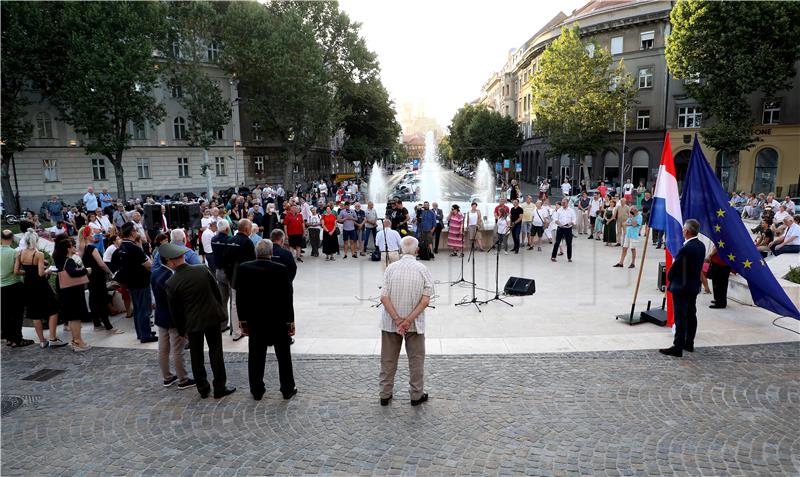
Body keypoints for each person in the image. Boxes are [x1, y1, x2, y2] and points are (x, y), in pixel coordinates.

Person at [164, 243, 234, 399]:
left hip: (193, 323)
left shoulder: (172, 282)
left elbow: (175, 311)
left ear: (173, 261)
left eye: (168, 261)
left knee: (196, 356)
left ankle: (203, 388)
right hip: (212, 318)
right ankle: (219, 387)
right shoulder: (202, 269)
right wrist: (219, 311)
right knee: (216, 353)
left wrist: (181, 331)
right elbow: (216, 292)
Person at [235, 240, 297, 401]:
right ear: (271, 253)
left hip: (255, 320)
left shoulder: (243, 268)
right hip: (278, 320)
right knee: (283, 356)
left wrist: (243, 321)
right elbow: (287, 298)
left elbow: (240, 297)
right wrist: (290, 322)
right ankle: (287, 388)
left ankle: (256, 390)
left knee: (256, 356)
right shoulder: (281, 269)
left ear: (257, 253)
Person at [379, 236, 434, 407]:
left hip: (390, 323)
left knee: (388, 360)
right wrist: (408, 321)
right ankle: (416, 395)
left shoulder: (390, 269)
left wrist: (397, 320)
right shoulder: (423, 269)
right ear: (417, 250)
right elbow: (425, 301)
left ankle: (385, 394)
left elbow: (383, 297)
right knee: (416, 360)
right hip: (415, 324)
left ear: (401, 249)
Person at [660, 219, 705, 358]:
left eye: (684, 228)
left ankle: (677, 347)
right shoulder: (701, 245)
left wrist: (669, 276)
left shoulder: (686, 248)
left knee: (680, 317)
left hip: (682, 287)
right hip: (693, 286)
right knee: (691, 314)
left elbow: (675, 269)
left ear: (686, 231)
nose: (682, 230)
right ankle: (689, 343)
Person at [14, 230, 66, 348]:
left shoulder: (20, 253)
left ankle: (42, 341)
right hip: (40, 285)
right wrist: (49, 270)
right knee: (53, 310)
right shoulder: (38, 254)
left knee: (35, 313)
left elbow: (16, 271)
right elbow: (41, 273)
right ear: (35, 240)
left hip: (28, 285)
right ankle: (52, 338)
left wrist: (27, 272)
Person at [116, 222, 156, 343]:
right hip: (141, 281)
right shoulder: (133, 248)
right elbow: (148, 265)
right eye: (136, 230)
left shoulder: (122, 246)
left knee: (138, 309)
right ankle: (146, 334)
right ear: (132, 232)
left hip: (131, 281)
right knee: (144, 309)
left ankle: (142, 332)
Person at [78, 228, 123, 334]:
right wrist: (110, 272)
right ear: (88, 236)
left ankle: (97, 323)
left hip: (90, 277)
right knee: (102, 300)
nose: (94, 236)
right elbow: (101, 264)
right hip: (98, 276)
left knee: (93, 300)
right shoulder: (92, 248)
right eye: (92, 234)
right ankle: (108, 326)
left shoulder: (82, 249)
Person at [52, 238, 91, 351]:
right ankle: (78, 341)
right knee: (75, 318)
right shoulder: (68, 260)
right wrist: (85, 270)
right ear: (68, 248)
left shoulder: (60, 259)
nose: (75, 247)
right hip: (73, 293)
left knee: (73, 318)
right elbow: (72, 273)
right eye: (73, 246)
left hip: (67, 292)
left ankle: (75, 340)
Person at [224, 219, 256, 341]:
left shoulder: (230, 240)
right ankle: (247, 328)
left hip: (232, 278)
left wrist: (228, 275)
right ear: (247, 229)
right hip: (244, 280)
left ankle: (236, 332)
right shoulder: (248, 243)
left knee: (234, 305)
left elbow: (224, 260)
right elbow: (252, 262)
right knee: (248, 305)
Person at [550, 198, 576, 262]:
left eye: (564, 202)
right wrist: (560, 224)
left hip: (568, 229)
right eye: (562, 202)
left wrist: (571, 223)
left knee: (569, 244)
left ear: (567, 203)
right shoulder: (559, 210)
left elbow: (574, 219)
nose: (563, 204)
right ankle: (553, 257)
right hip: (560, 228)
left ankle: (569, 258)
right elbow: (555, 219)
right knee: (557, 243)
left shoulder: (571, 210)